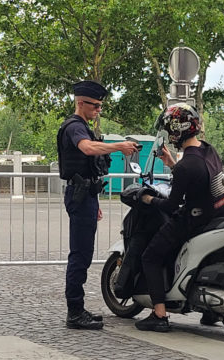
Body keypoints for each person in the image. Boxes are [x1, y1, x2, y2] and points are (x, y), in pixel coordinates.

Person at [135, 103, 224, 332]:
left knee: (151, 256)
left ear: (177, 132)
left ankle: (159, 314)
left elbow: (170, 205)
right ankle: (209, 312)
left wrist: (147, 200)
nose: (168, 136)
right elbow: (198, 178)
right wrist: (172, 165)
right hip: (218, 215)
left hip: (194, 220)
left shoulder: (186, 166)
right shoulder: (209, 150)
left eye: (169, 131)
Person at [57, 80, 138, 330]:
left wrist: (95, 200)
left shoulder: (83, 126)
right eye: (95, 105)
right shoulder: (74, 127)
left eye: (101, 106)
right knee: (80, 255)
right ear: (81, 103)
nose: (98, 110)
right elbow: (88, 148)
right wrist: (119, 146)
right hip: (80, 196)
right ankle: (74, 312)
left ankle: (78, 308)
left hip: (87, 196)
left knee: (84, 254)